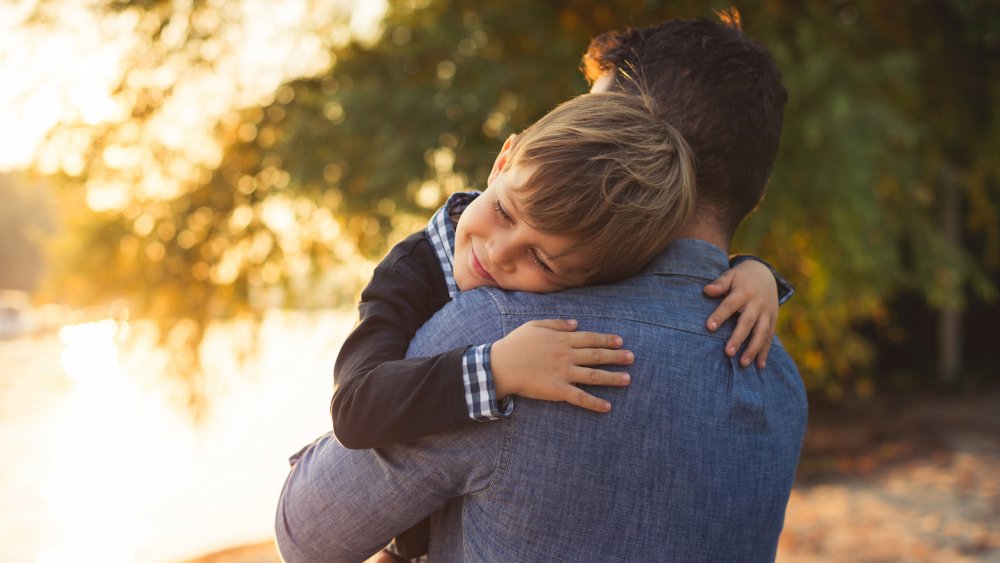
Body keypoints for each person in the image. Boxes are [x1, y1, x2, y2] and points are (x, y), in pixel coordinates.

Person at [276, 14, 807, 562]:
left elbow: (306, 535)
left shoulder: (504, 331)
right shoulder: (778, 380)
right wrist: (757, 271)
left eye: (596, 118)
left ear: (648, 159)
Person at [331, 91, 791, 453]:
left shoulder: (594, 258)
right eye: (505, 212)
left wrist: (753, 272)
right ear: (502, 161)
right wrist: (498, 369)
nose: (498, 251)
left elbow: (665, 278)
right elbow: (354, 409)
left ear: (591, 280)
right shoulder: (408, 274)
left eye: (541, 261)